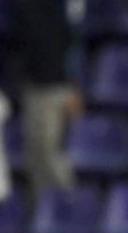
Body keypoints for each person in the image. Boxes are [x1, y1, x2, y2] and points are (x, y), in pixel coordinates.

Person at [11, 0, 84, 199]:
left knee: (51, 152)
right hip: (33, 85)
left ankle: (68, 202)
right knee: (35, 154)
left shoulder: (64, 7)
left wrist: (74, 86)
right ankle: (43, 209)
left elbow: (74, 43)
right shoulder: (22, 8)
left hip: (57, 86)